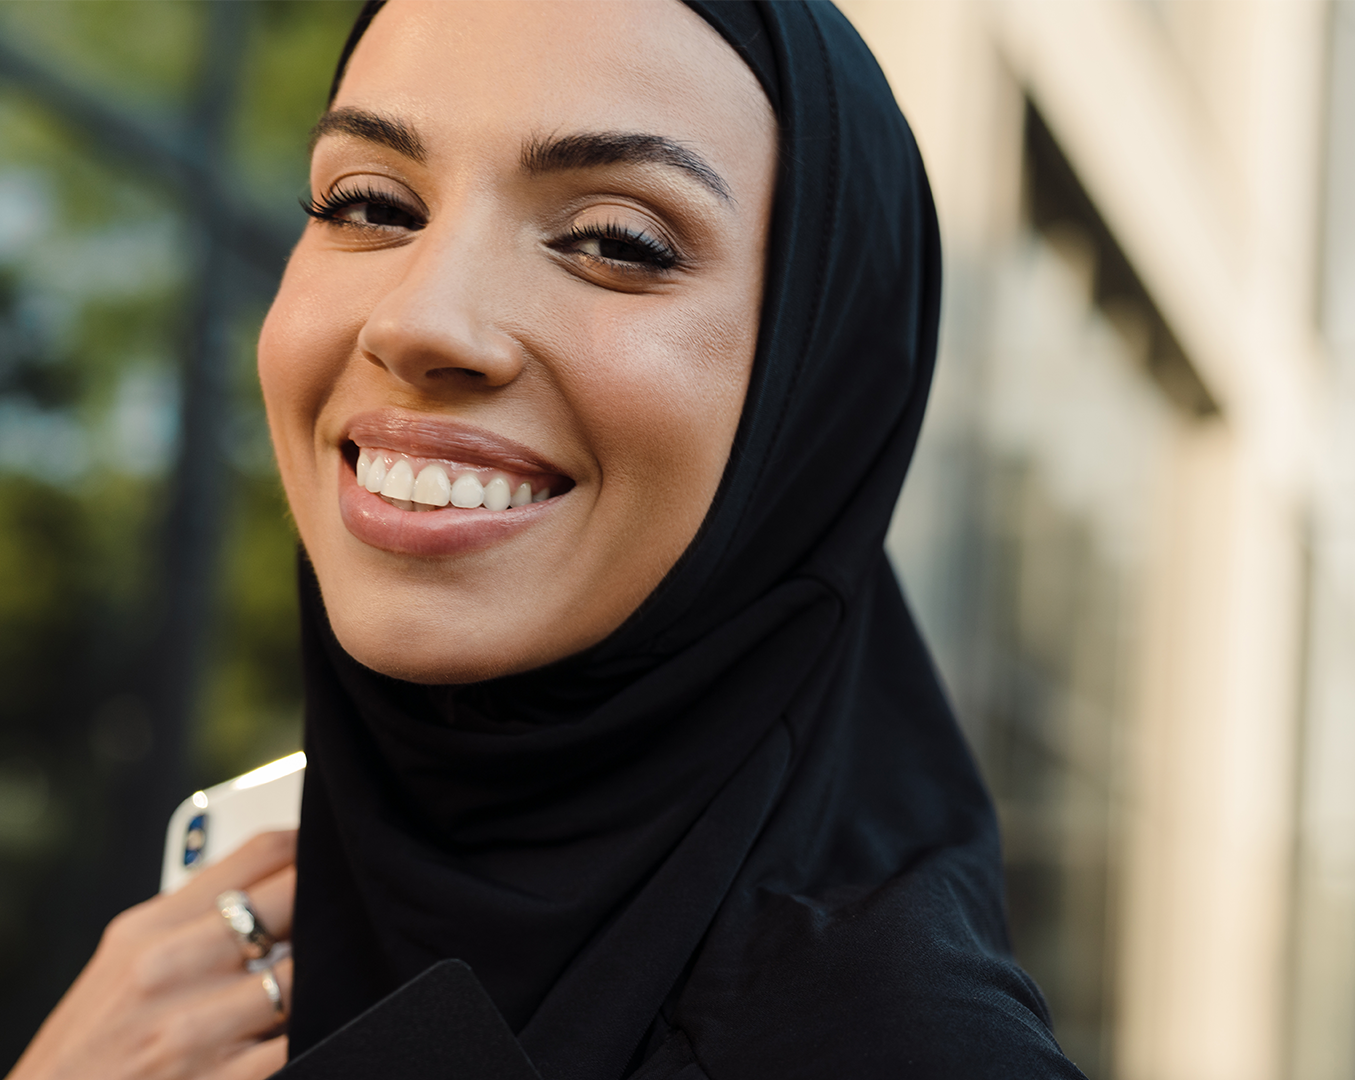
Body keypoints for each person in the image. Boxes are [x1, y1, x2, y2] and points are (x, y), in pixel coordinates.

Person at [6, 2, 1085, 1077]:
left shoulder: (893, 1048)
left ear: (816, 392)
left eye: (616, 240)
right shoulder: (220, 965)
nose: (419, 320)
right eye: (371, 203)